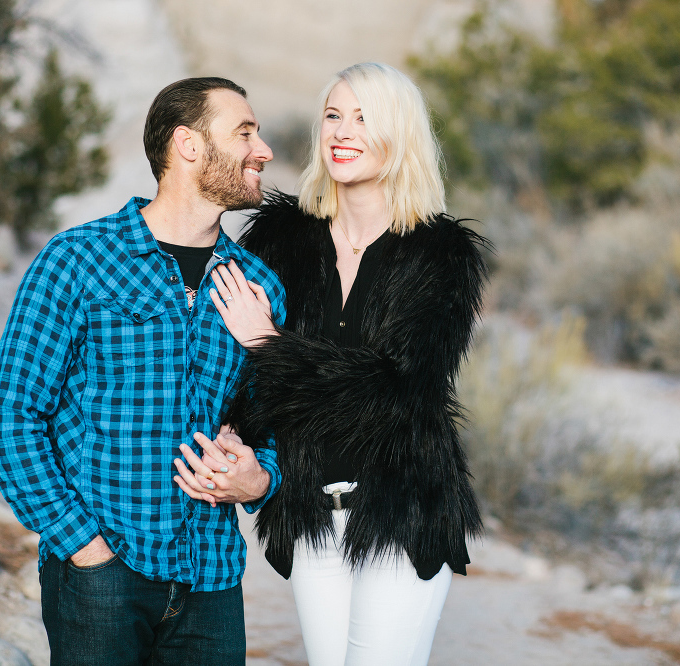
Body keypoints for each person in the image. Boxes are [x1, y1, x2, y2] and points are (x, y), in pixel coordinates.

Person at [0, 76, 286, 666]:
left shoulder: (259, 286)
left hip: (213, 580)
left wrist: (260, 480)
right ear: (188, 145)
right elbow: (12, 418)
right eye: (244, 132)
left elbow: (273, 428)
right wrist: (82, 545)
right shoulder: (77, 261)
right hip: (103, 577)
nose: (264, 150)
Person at [205, 62, 488, 665]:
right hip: (309, 511)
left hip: (401, 511)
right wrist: (240, 437)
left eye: (364, 118)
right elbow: (239, 370)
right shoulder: (280, 240)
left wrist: (271, 345)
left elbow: (400, 395)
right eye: (333, 116)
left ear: (401, 135)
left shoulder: (441, 255)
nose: (342, 131)